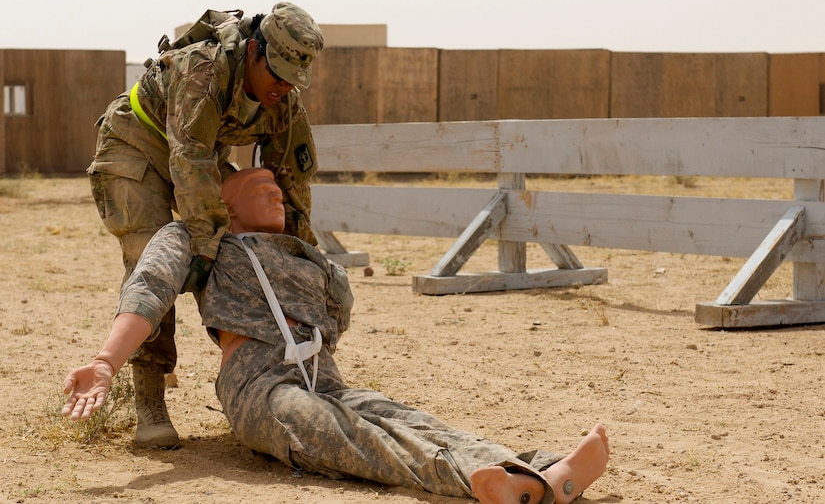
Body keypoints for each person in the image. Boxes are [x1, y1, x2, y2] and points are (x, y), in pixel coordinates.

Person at [64, 168, 610, 503]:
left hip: (324, 376)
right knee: (354, 435)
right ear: (226, 209)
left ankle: (533, 469)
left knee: (406, 417)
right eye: (260, 188)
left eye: (277, 187)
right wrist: (106, 363)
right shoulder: (203, 244)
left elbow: (337, 315)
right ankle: (479, 481)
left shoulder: (307, 254)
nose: (276, 195)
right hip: (259, 387)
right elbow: (149, 291)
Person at [87, 2, 325, 448]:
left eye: (293, 78)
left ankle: (272, 372)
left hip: (194, 154)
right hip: (135, 144)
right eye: (276, 72)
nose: (284, 86)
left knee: (247, 244)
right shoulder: (204, 70)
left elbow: (292, 188)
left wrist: (300, 268)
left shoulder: (283, 101)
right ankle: (150, 398)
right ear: (254, 50)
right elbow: (190, 158)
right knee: (155, 258)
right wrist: (205, 241)